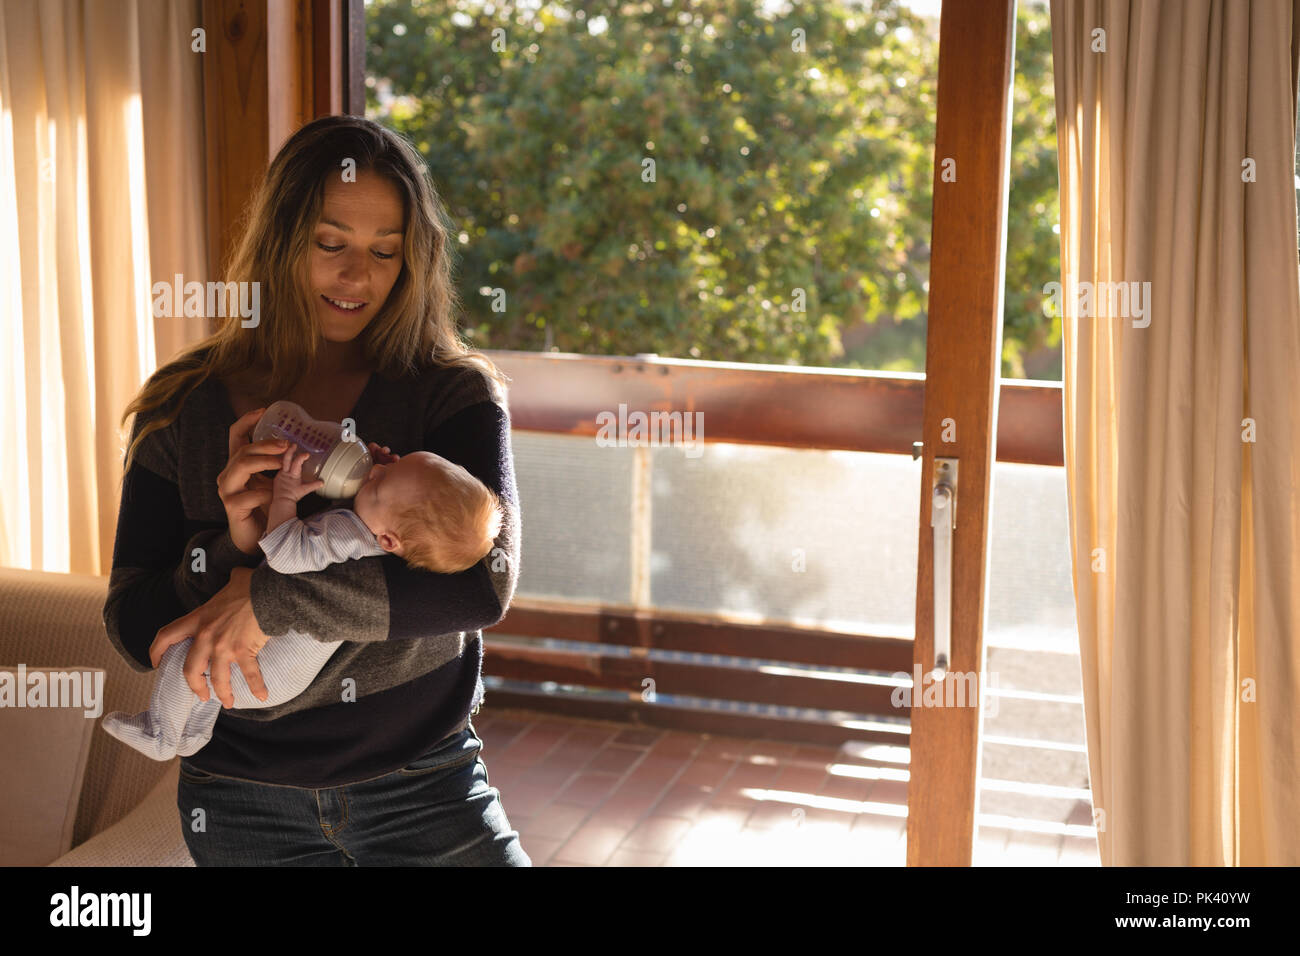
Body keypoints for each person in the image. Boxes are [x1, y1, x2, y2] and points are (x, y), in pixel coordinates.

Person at [103, 114, 531, 865]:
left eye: (384, 252)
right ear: (280, 242)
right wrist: (229, 546)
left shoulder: (449, 396)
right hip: (240, 799)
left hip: (424, 786)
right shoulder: (182, 408)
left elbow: (480, 587)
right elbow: (134, 624)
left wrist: (267, 597)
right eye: (330, 244)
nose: (356, 277)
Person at [101, 441, 503, 761]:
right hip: (282, 675)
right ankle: (193, 734)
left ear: (389, 540)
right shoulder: (379, 540)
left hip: (272, 669)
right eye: (391, 465)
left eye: (380, 483)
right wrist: (382, 482)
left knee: (183, 657)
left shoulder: (349, 533)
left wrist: (284, 496)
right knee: (208, 676)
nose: (376, 470)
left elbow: (286, 553)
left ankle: (161, 734)